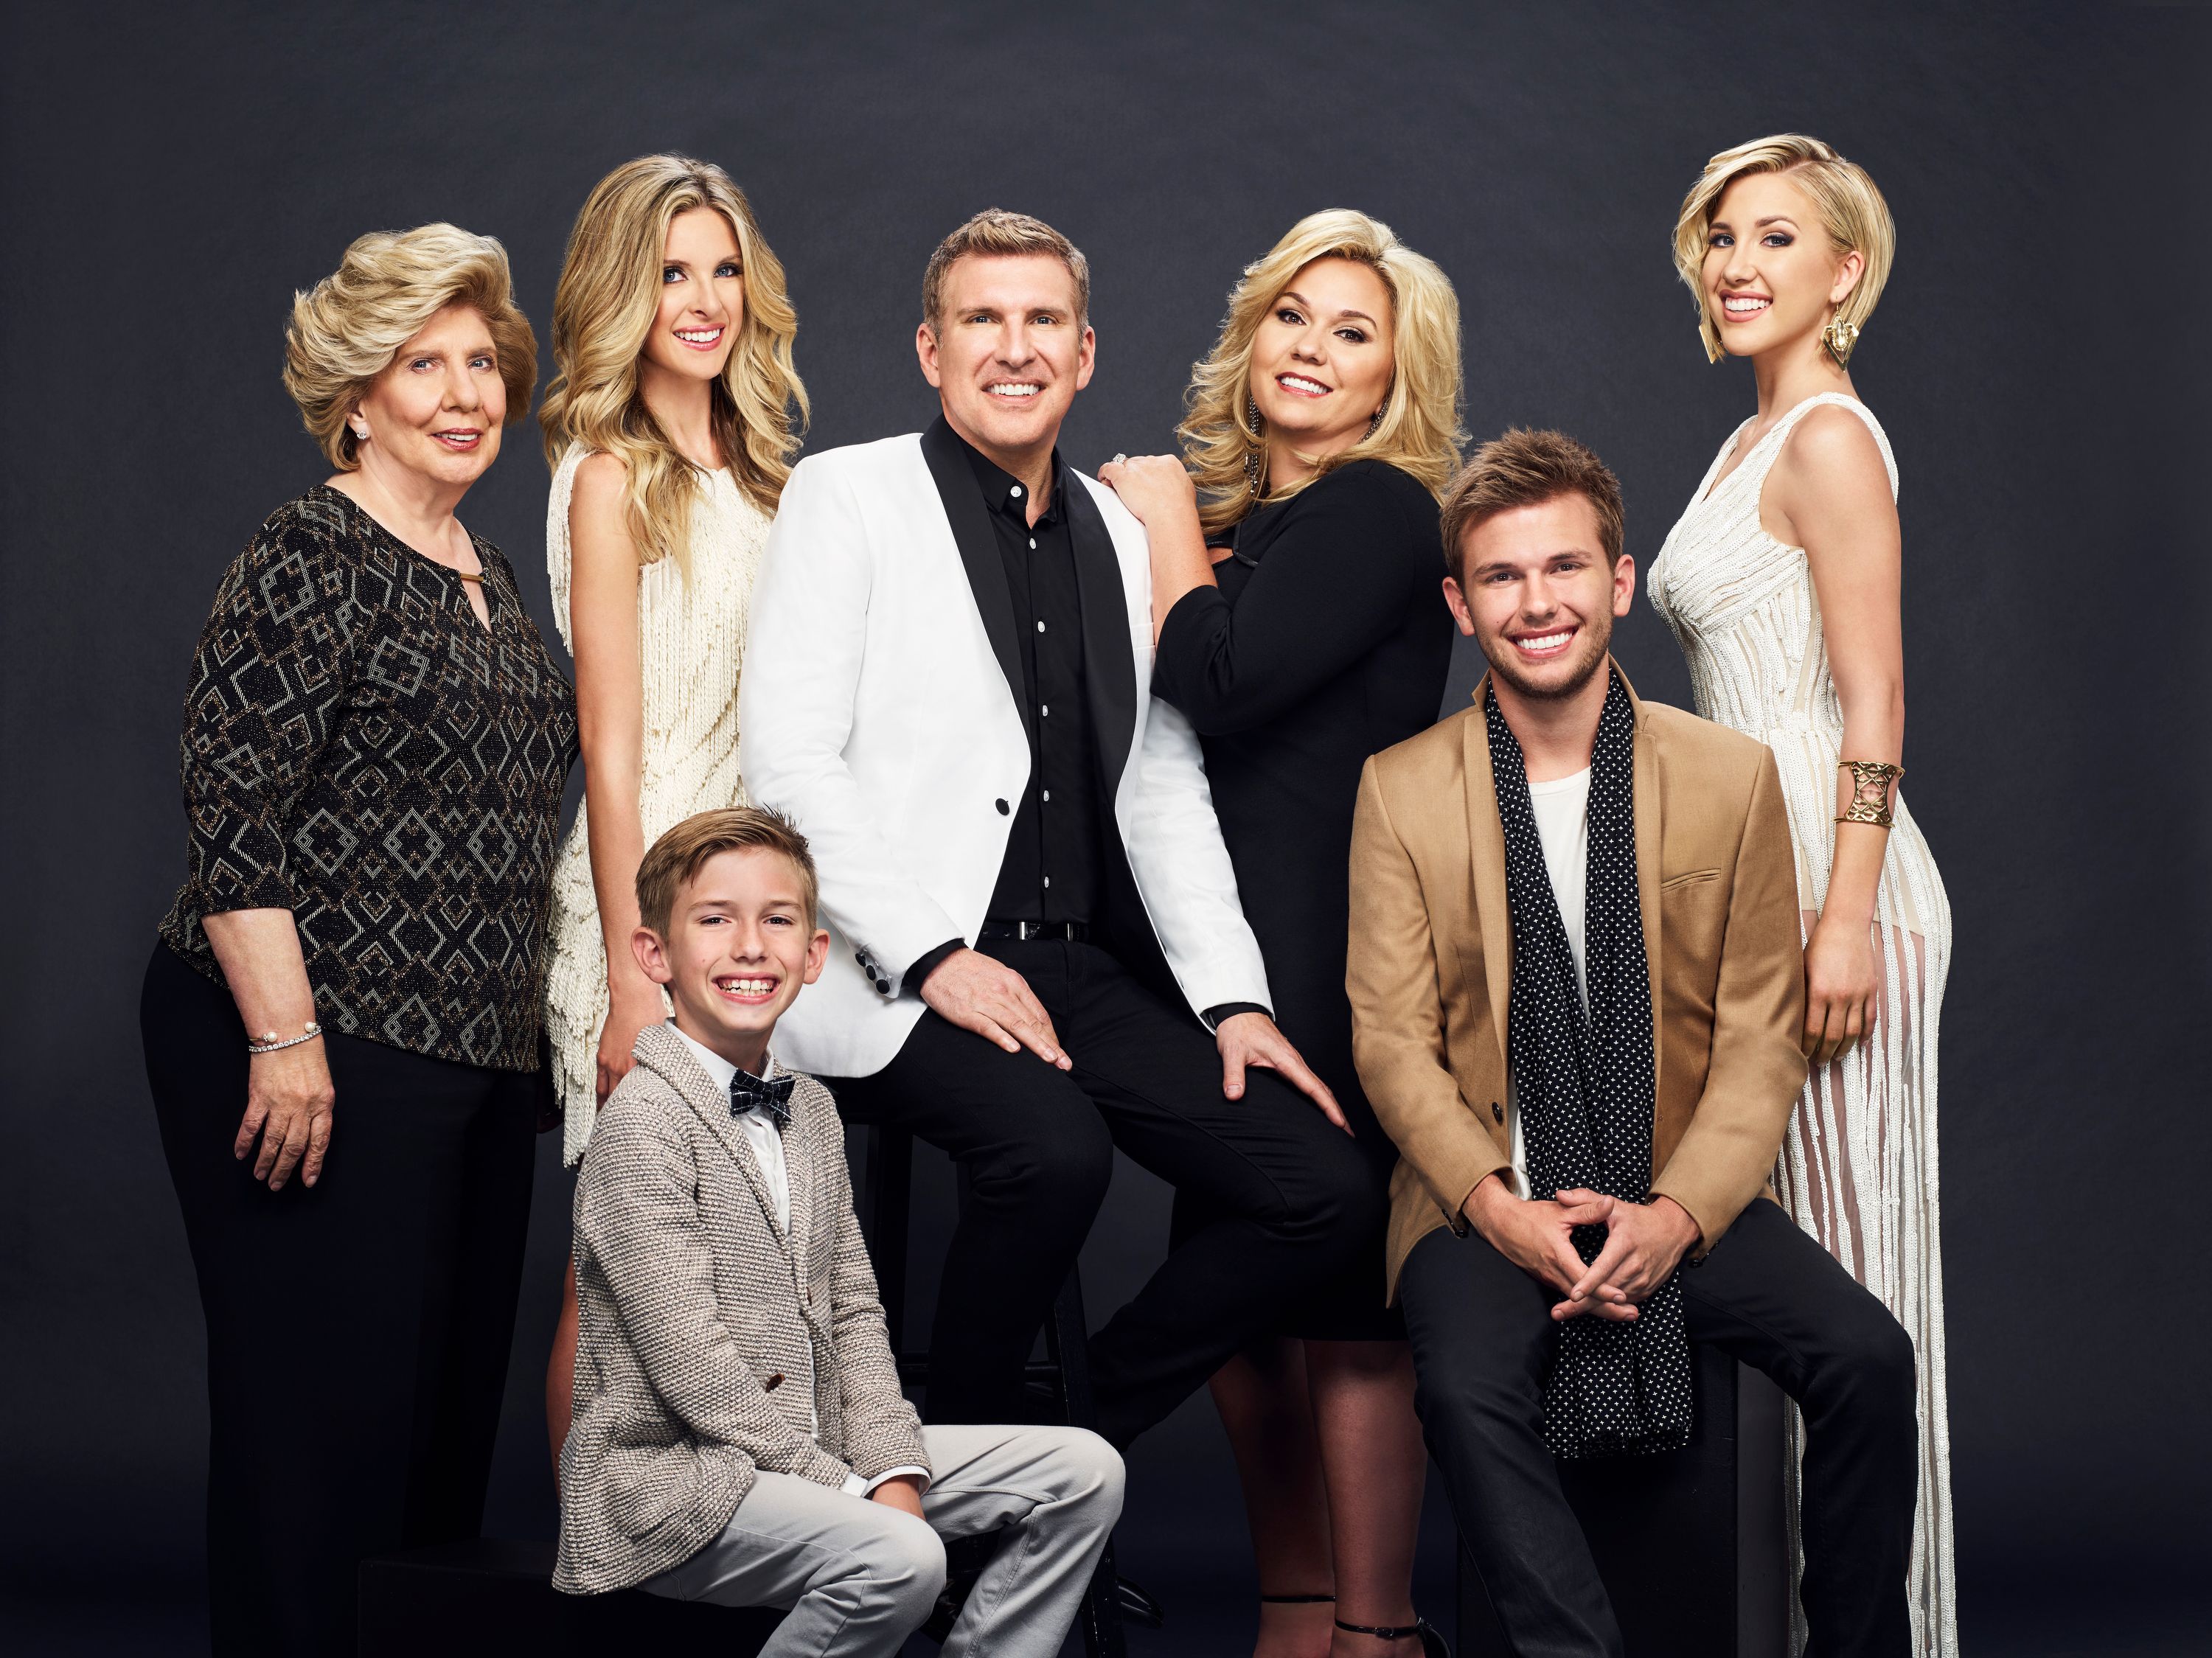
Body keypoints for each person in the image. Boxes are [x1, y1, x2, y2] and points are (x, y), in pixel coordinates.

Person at [737, 209, 1379, 1455]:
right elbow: (790, 762)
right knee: (1057, 1151)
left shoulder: (1122, 530)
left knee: (1328, 1190)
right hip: (898, 970)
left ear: (1085, 354)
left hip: (1085, 970)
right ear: (932, 348)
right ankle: (946, 1482)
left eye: (1043, 322)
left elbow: (1162, 787)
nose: (1013, 346)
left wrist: (1232, 1001)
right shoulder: (848, 493)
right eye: (983, 318)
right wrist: (935, 954)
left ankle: (1050, 1444)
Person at [1349, 429, 1919, 1657]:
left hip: (1672, 1179)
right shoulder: (1400, 786)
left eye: (1565, 568)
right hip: (1484, 1195)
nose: (1537, 601)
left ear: (1618, 580)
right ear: (1460, 603)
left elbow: (1763, 1032)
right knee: (1461, 1386)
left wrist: (1677, 1215)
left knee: (1870, 1357)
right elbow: (1392, 1040)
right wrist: (1500, 1208)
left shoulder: (1730, 776)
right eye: (1502, 576)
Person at [142, 224, 576, 1656]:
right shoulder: (306, 552)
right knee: (317, 1428)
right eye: (421, 365)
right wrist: (285, 1037)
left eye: (479, 362)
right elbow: (235, 814)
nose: (462, 392)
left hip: (465, 1064)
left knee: (440, 1434)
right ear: (356, 396)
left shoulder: (493, 575)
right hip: (305, 1038)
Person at [1097, 208, 1461, 1658]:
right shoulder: (1259, 525)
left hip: (1330, 948)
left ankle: (1374, 1628)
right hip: (1221, 964)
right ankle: (1292, 1611)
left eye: (1351, 332)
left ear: (1392, 383)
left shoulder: (1378, 510)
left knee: (1347, 1300)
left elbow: (1224, 680)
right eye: (1291, 317)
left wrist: (1167, 522)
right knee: (1249, 1296)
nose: (1310, 350)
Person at [556, 807, 1122, 1657]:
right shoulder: (642, 1122)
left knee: (1084, 1470)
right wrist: (854, 1488)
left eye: (777, 919)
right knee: (901, 1552)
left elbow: (855, 1312)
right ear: (655, 956)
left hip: (812, 1441)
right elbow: (693, 1371)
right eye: (715, 919)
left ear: (813, 954)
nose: (750, 945)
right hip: (680, 1480)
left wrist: (892, 1466)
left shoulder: (810, 1109)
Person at [1652, 133, 1954, 1656]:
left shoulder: (1831, 435)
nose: (1738, 259)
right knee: (1784, 1294)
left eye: (1777, 235)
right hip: (1750, 893)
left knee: (1853, 1297)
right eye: (1721, 232)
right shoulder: (1748, 440)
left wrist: (1842, 914)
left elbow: (1875, 694)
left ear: (1844, 273)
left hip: (1843, 890)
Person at [537, 153, 808, 1463]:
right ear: (618, 294)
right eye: (667, 274)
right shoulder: (609, 475)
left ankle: (703, 1569)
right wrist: (639, 975)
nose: (702, 299)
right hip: (649, 901)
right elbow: (612, 743)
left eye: (720, 266)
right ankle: (592, 1575)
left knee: (727, 1273)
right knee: (624, 1275)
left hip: (754, 909)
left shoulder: (768, 475)